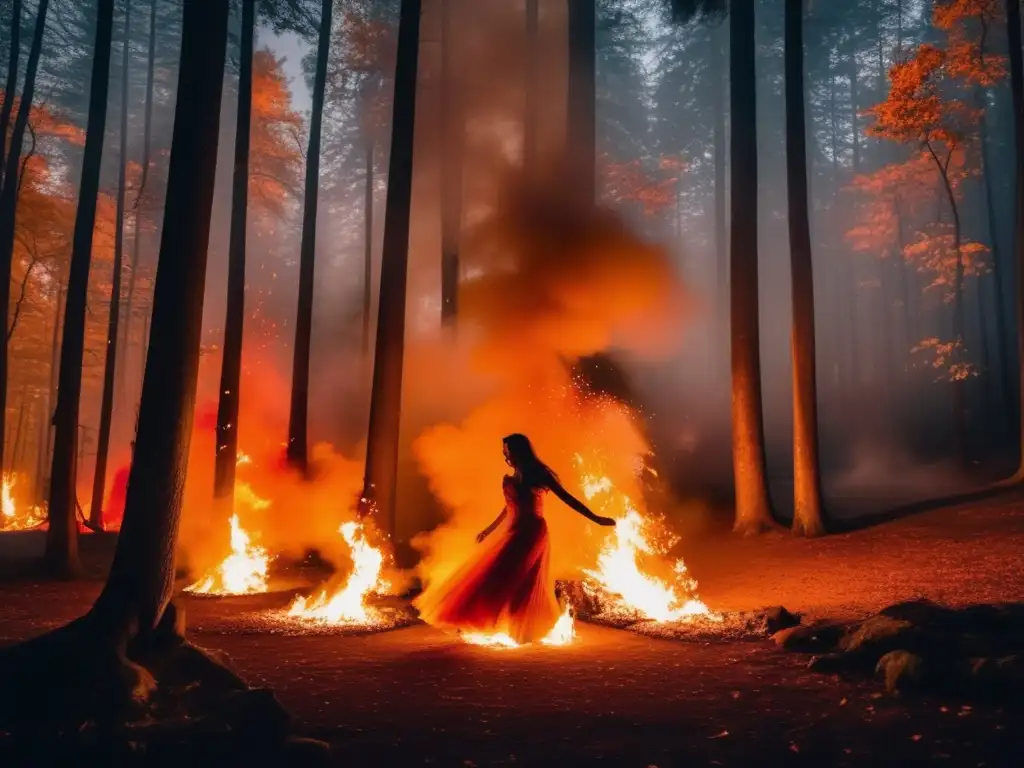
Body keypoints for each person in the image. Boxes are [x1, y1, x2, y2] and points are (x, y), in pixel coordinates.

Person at [415, 433, 615, 644]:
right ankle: (491, 622)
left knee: (517, 576)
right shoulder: (514, 476)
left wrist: (596, 518)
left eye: (507, 450)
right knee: (497, 573)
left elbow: (567, 498)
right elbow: (509, 506)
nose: (505, 454)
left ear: (518, 451)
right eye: (504, 450)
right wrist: (489, 529)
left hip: (532, 532)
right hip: (514, 530)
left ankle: (520, 629)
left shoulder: (538, 473)